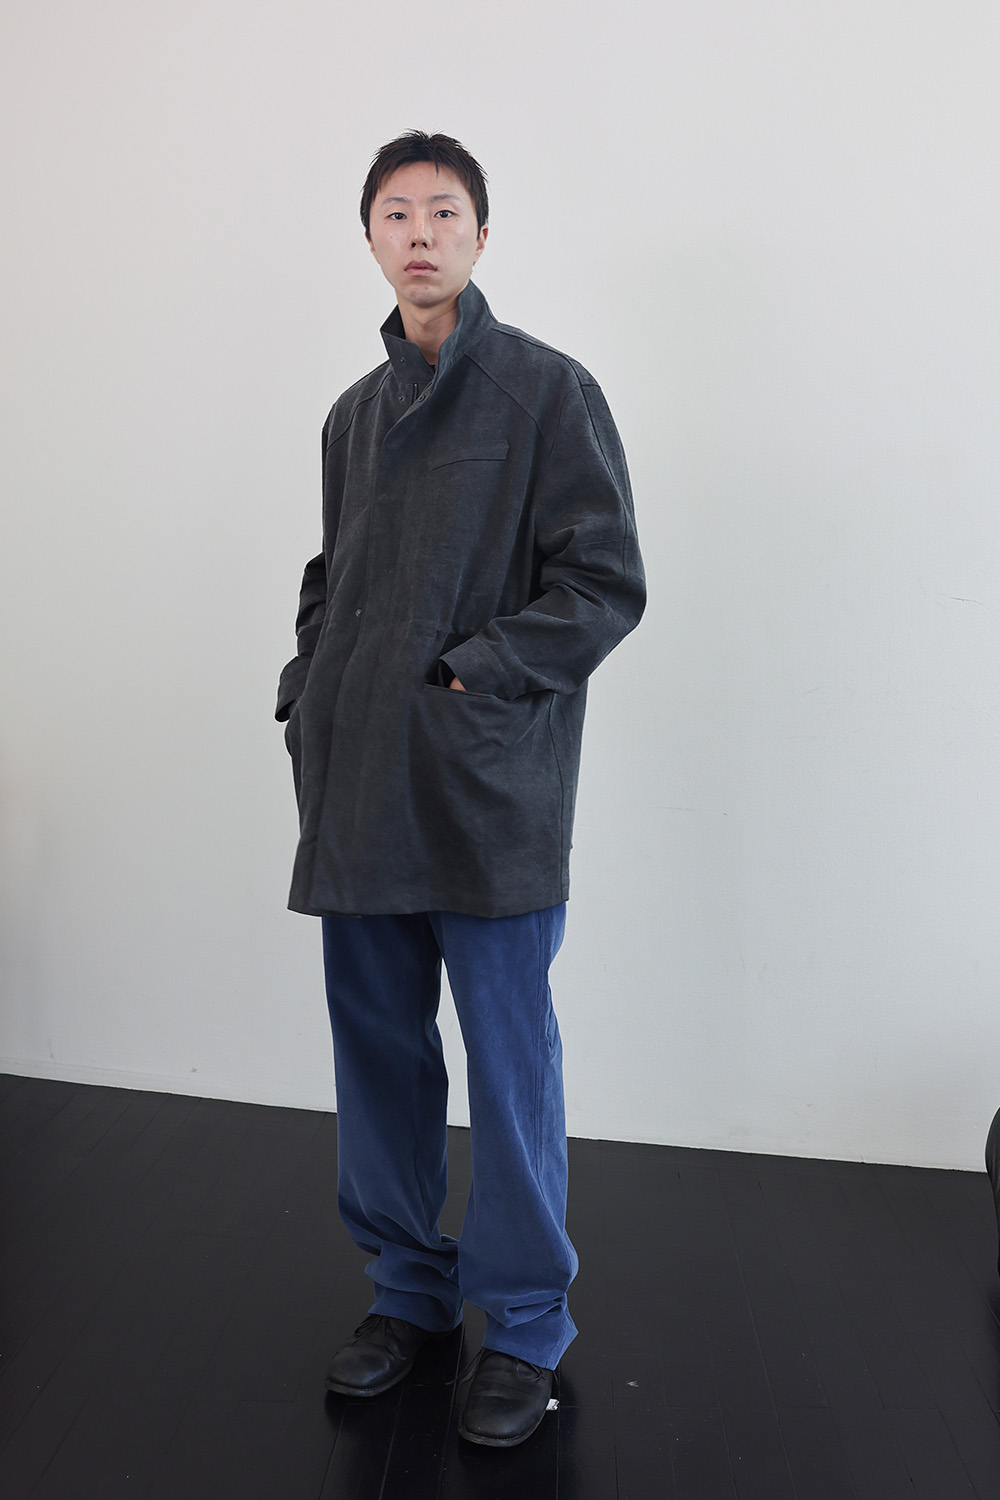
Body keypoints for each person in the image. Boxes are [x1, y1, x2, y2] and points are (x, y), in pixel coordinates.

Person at [276, 130, 645, 1448]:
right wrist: (308, 684)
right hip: (359, 782)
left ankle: (528, 1321)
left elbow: (603, 582)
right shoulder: (351, 417)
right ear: (370, 239)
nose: (420, 234)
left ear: (482, 236)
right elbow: (333, 575)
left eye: (444, 212)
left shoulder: (547, 391)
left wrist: (472, 675)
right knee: (378, 1051)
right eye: (396, 213)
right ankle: (408, 1294)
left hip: (487, 790)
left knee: (509, 1057)